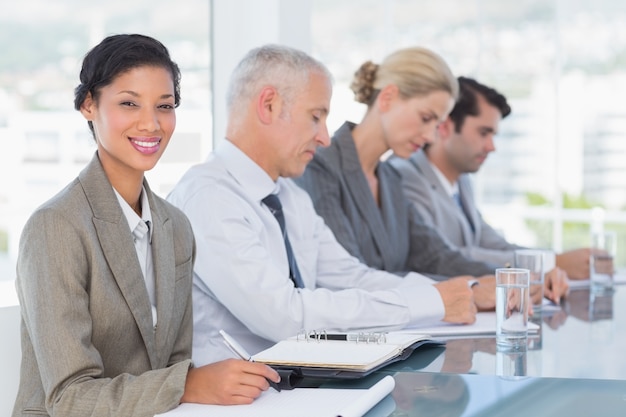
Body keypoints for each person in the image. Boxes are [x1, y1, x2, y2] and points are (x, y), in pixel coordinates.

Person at [13, 34, 278, 417]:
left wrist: (190, 385)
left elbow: (172, 365)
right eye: (128, 104)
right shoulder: (55, 228)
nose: (151, 124)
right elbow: (69, 397)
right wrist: (187, 384)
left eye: (164, 106)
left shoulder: (176, 228)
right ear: (89, 105)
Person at [167, 44, 479, 366]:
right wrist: (427, 302)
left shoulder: (290, 198)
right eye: (316, 117)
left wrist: (439, 294)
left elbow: (351, 277)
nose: (325, 138)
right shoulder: (208, 199)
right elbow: (284, 316)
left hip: (299, 385)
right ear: (269, 105)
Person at [294, 47, 502, 310]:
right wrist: (464, 292)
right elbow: (348, 278)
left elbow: (436, 255)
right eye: (425, 118)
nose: (430, 136)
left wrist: (506, 279)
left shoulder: (391, 179)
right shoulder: (320, 168)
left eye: (436, 125)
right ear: (388, 97)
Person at [390, 76, 589, 281]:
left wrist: (551, 259)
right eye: (484, 133)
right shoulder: (404, 177)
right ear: (445, 126)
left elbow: (490, 242)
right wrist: (547, 264)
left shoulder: (461, 179)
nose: (491, 147)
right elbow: (447, 256)